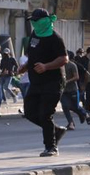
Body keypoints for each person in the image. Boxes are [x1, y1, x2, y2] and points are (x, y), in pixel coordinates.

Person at [17, 9, 69, 157]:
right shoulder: (34, 35)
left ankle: (51, 147)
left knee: (45, 114)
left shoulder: (55, 38)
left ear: (45, 21)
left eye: (36, 21)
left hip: (53, 82)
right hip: (36, 82)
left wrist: (46, 66)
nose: (34, 23)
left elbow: (64, 59)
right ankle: (56, 131)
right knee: (30, 113)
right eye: (32, 21)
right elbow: (33, 56)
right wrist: (25, 67)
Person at [60, 51, 90, 130]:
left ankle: (85, 114)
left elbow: (76, 77)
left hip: (73, 89)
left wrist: (67, 81)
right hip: (63, 91)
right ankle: (71, 123)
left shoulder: (72, 65)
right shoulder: (59, 66)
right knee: (65, 106)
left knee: (75, 107)